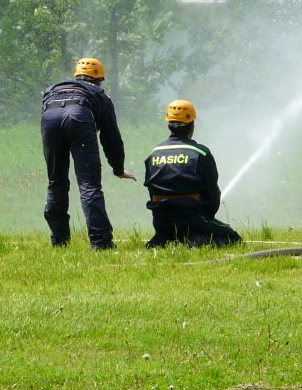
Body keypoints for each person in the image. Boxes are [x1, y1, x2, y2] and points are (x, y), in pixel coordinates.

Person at [41, 58, 136, 250]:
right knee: (89, 184)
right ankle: (101, 242)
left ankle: (59, 241)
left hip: (49, 118)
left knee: (56, 182)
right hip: (78, 117)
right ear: (99, 80)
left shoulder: (53, 90)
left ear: (77, 76)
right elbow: (111, 137)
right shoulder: (99, 94)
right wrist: (118, 168)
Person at [142, 100, 241, 248]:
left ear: (168, 125)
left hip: (161, 221)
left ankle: (164, 239)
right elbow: (213, 192)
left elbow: (151, 190)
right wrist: (207, 217)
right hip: (194, 219)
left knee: (169, 237)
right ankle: (196, 241)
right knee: (233, 238)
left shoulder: (155, 153)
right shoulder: (201, 153)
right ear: (192, 125)